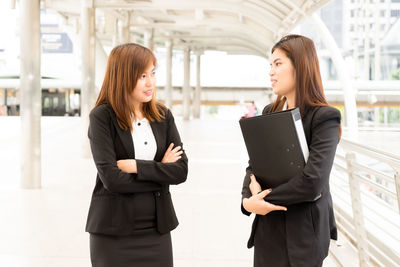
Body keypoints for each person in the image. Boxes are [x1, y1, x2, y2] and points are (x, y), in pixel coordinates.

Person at [241, 34, 341, 267]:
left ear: (300, 66)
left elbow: (313, 181)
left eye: (278, 64)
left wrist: (262, 199)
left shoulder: (325, 118)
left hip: (304, 236)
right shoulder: (269, 111)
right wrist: (247, 200)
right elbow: (254, 164)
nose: (271, 72)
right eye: (271, 65)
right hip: (269, 230)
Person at [85, 43, 188, 267]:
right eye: (142, 75)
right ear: (122, 76)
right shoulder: (102, 117)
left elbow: (181, 171)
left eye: (152, 73)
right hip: (113, 233)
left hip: (156, 231)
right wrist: (160, 172)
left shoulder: (162, 115)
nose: (150, 82)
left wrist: (136, 167)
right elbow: (112, 180)